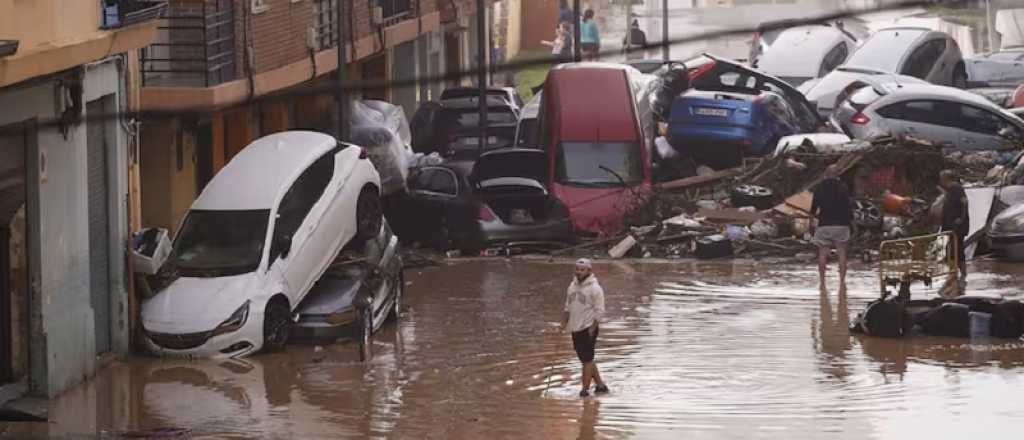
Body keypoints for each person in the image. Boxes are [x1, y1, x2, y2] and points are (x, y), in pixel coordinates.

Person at [560, 258, 609, 397]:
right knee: (586, 359)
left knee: (586, 360)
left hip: (588, 327)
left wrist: (593, 328)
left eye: (582, 270)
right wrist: (563, 323)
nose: (579, 272)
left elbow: (600, 311)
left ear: (589, 271)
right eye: (577, 269)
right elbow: (567, 307)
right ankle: (600, 385)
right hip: (575, 327)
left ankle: (585, 390)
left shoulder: (595, 288)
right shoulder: (572, 286)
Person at [811, 165, 853, 295]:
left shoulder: (819, 187)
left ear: (826, 174)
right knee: (842, 253)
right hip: (841, 225)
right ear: (837, 174)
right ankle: (842, 282)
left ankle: (822, 282)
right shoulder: (843, 187)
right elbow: (848, 206)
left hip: (824, 224)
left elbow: (813, 208)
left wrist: (811, 221)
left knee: (822, 253)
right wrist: (852, 223)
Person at [940, 169, 969, 287]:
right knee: (953, 250)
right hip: (951, 226)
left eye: (942, 178)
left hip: (957, 227)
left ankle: (960, 274)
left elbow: (964, 204)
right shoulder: (950, 190)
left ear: (946, 179)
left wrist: (960, 219)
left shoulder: (956, 188)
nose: (941, 181)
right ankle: (955, 274)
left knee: (957, 250)